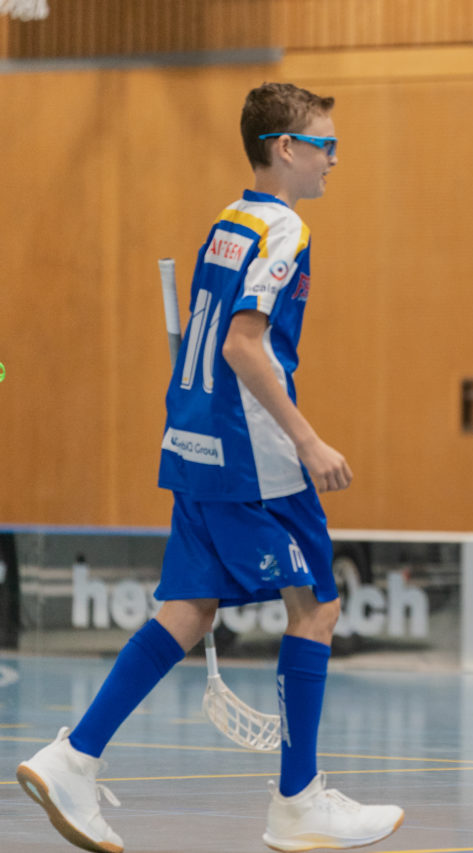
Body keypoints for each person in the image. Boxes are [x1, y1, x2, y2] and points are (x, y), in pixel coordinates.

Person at [16, 83, 403, 853]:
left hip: (193, 437)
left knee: (190, 607)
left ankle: (73, 757)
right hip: (253, 457)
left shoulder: (230, 221)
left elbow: (211, 328)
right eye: (325, 145)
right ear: (285, 149)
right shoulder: (286, 230)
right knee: (317, 606)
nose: (335, 160)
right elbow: (241, 343)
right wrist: (307, 439)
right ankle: (297, 801)